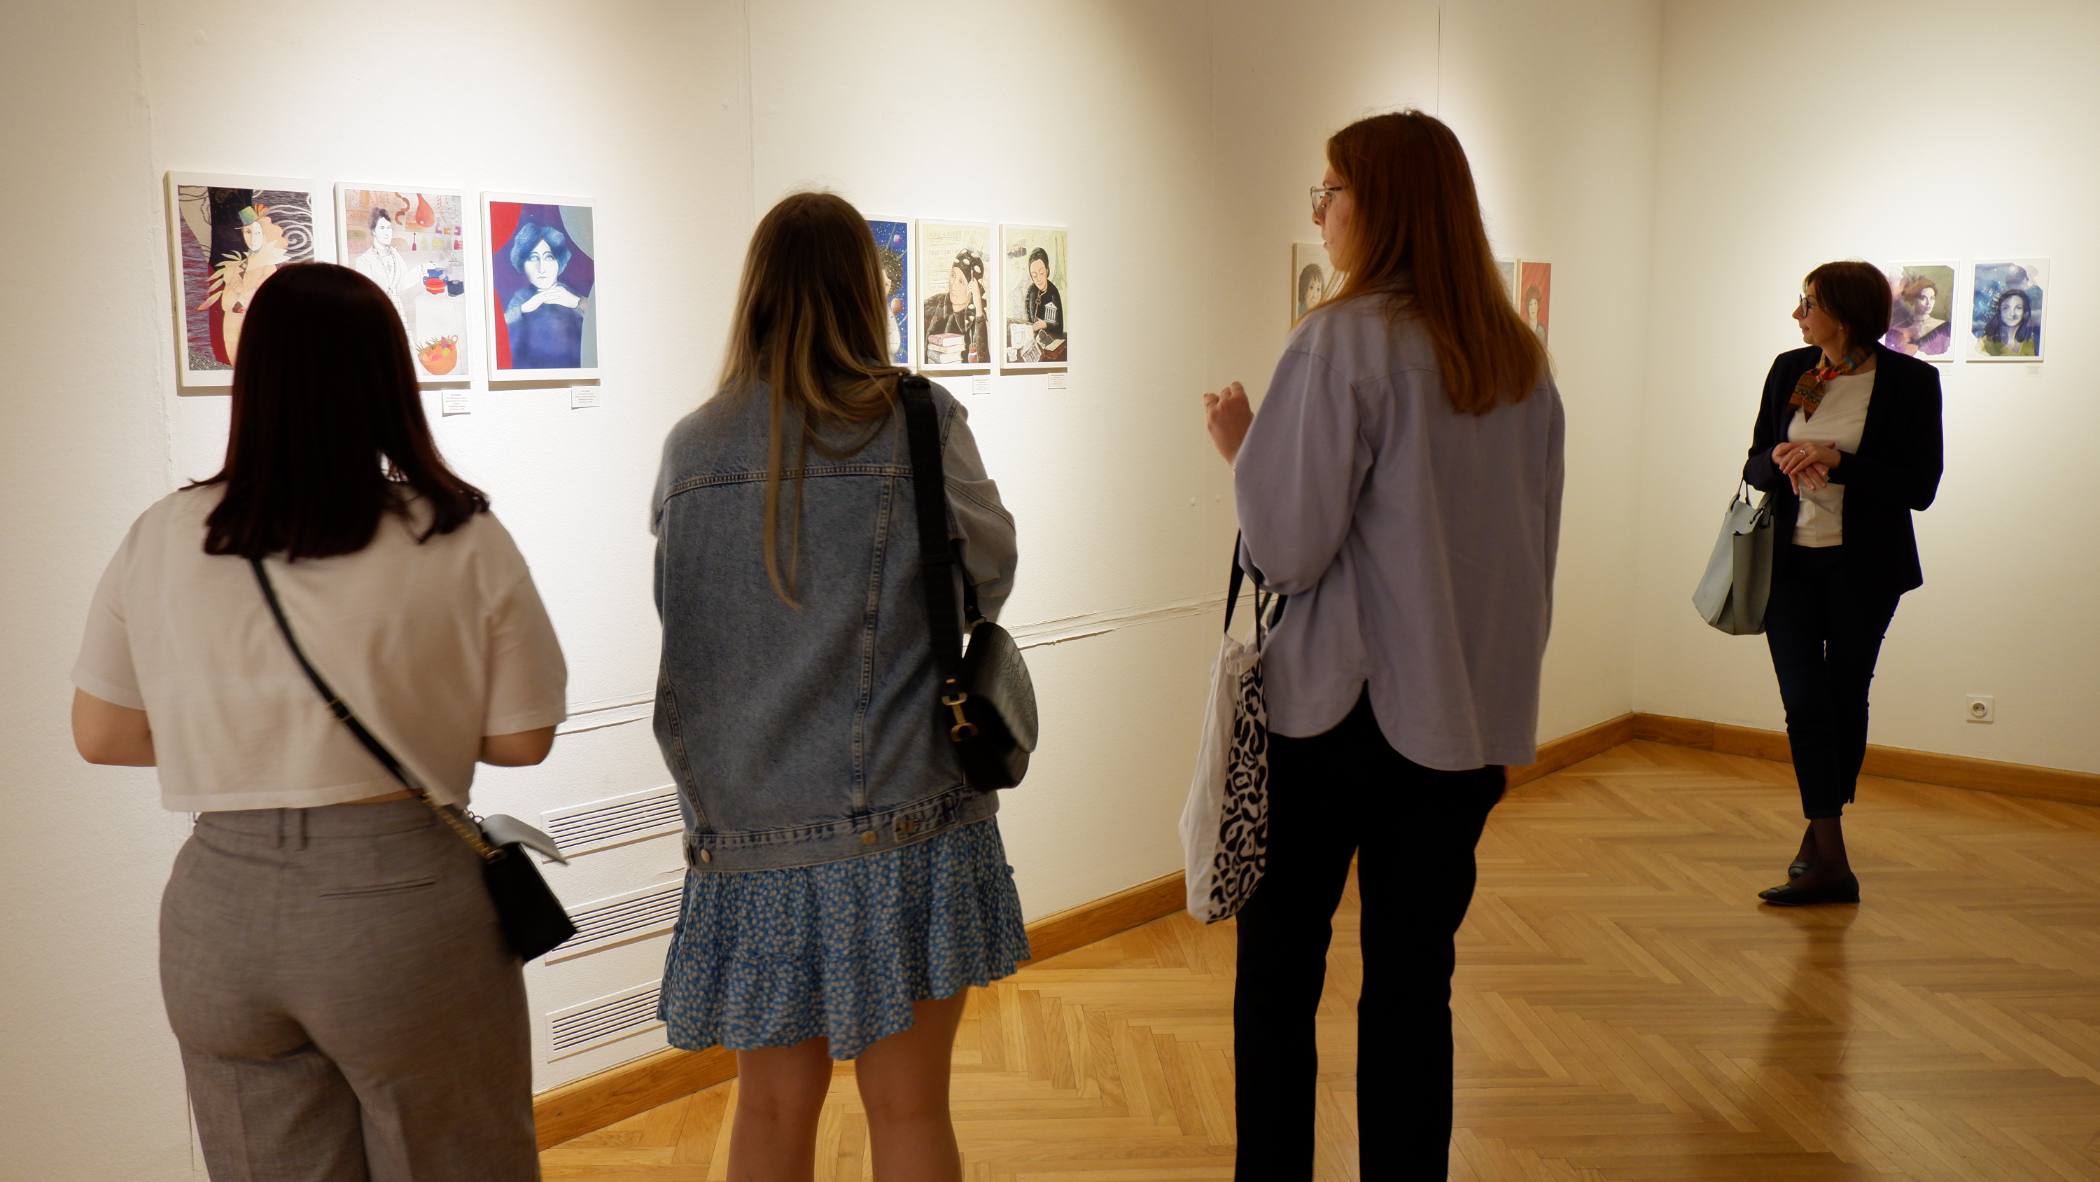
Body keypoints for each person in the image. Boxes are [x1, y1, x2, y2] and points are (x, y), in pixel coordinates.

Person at [71, 262, 568, 1179]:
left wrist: (242, 736)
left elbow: (102, 735)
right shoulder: (457, 533)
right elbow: (521, 739)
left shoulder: (164, 532)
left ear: (253, 380)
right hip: (400, 905)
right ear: (388, 380)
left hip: (219, 911)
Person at [1199, 110, 1564, 1179]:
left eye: (1332, 191)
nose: (1320, 212)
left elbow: (1287, 549)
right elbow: (1529, 557)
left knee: (1278, 980)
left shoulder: (1342, 340)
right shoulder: (1517, 360)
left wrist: (1243, 450)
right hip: (1457, 726)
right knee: (1414, 990)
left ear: (1384, 204)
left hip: (1333, 718)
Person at [651, 192, 1029, 1182]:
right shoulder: (917, 421)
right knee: (910, 1109)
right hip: (908, 819)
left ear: (756, 294)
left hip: (754, 839)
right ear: (868, 293)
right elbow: (989, 577)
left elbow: (685, 636)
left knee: (772, 1110)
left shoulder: (692, 450)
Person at [1744, 261, 1943, 906]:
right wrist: (1778, 459)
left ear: (1846, 314)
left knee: (1844, 697)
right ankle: (1830, 853)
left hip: (1866, 568)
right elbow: (1753, 460)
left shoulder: (1911, 382)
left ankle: (1822, 843)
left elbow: (1920, 487)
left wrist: (1838, 462)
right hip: (1789, 565)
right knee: (1805, 702)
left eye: (1809, 303)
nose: (1798, 314)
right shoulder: (1791, 370)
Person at [503, 219, 587, 369]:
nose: (541, 268)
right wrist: (525, 308)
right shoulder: (521, 297)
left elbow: (600, 322)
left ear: (559, 262)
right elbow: (499, 328)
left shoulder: (571, 294)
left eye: (549, 257)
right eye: (533, 258)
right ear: (522, 264)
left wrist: (576, 302)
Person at [921, 248, 990, 364]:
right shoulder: (931, 305)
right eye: (953, 275)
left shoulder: (975, 317)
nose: (953, 284)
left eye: (961, 281)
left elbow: (982, 361)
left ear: (973, 287)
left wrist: (978, 308)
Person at [352, 202, 413, 321]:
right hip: (376, 314)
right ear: (373, 231)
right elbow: (366, 296)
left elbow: (403, 282)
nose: (387, 232)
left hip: (398, 311)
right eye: (382, 228)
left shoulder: (395, 254)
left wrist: (421, 270)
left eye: (389, 228)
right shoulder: (364, 260)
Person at [1883, 273, 1949, 356]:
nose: (1928, 303)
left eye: (1932, 298)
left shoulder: (1944, 328)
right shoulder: (1898, 328)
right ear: (1912, 299)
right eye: (1923, 298)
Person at [1977, 286, 2040, 357]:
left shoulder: (2031, 342)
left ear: (2025, 312)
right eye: (2006, 308)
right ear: (1999, 312)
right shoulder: (1985, 343)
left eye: (2018, 308)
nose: (2012, 313)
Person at [1023, 246, 1064, 347]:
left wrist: (1045, 324)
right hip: (1032, 341)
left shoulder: (1053, 293)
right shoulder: (1031, 291)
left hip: (1050, 342)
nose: (1038, 279)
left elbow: (1059, 328)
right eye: (1034, 275)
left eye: (1041, 273)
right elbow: (1028, 318)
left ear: (1047, 270)